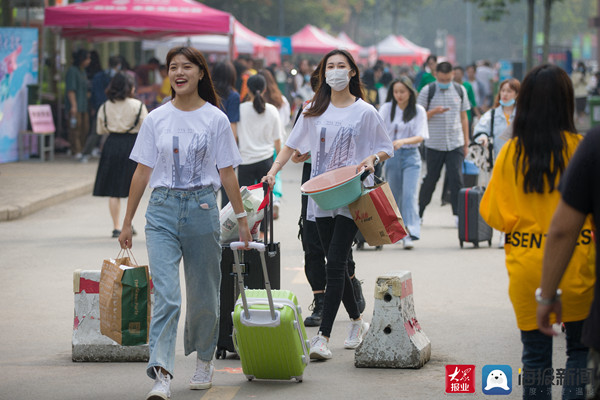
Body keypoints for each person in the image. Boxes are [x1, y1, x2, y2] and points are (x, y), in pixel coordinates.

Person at [117, 46, 252, 400]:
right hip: (161, 210)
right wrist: (127, 221)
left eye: (186, 67)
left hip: (202, 206)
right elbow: (142, 171)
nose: (179, 72)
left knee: (205, 293)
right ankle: (161, 372)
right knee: (167, 296)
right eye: (173, 67)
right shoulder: (156, 118)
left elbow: (227, 172)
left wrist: (241, 218)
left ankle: (204, 359)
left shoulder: (216, 119)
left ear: (200, 73)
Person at [262, 49, 394, 360]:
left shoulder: (365, 112)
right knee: (337, 265)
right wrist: (272, 171)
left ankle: (323, 337)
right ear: (323, 74)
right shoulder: (312, 109)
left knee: (335, 263)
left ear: (352, 73)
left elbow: (385, 147)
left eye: (340, 66)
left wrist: (372, 158)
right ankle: (358, 321)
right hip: (319, 196)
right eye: (329, 66)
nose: (334, 71)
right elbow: (293, 146)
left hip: (351, 196)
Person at [479, 64, 595, 400]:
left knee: (535, 359)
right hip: (579, 266)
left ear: (524, 102)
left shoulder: (511, 154)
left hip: (529, 272)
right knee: (579, 354)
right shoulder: (581, 148)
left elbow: (494, 215)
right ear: (567, 102)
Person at [536, 126, 600, 400]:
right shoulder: (580, 142)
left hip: (539, 269)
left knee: (537, 357)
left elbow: (563, 230)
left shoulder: (594, 144)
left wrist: (547, 295)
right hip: (581, 277)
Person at [93, 73, 148, 238]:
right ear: (129, 87)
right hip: (132, 145)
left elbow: (100, 130)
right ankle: (128, 223)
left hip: (111, 145)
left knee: (113, 189)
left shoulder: (105, 106)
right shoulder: (137, 105)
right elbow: (145, 128)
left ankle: (117, 226)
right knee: (133, 187)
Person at [417, 61, 470, 224]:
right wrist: (433, 112)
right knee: (431, 179)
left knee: (456, 179)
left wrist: (466, 143)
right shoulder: (428, 91)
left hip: (455, 143)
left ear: (453, 75)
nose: (445, 83)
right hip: (434, 144)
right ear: (436, 76)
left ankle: (458, 215)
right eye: (442, 80)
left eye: (447, 79)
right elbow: (418, 117)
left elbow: (463, 117)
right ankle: (419, 213)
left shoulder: (460, 90)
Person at [379, 77, 429, 250]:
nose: (399, 95)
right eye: (396, 92)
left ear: (410, 92)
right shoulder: (386, 109)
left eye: (403, 91)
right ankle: (397, 231)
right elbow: (377, 129)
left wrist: (403, 141)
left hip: (411, 156)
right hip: (391, 156)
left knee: (409, 194)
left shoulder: (418, 110)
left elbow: (421, 136)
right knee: (394, 195)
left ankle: (410, 232)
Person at [237, 74, 283, 188]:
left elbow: (236, 136)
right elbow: (278, 140)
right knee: (265, 200)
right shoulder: (272, 110)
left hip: (245, 161)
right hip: (266, 161)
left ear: (247, 89)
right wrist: (279, 163)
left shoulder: (240, 110)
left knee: (246, 202)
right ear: (265, 89)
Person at [258, 68, 291, 219]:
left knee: (263, 175)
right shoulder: (281, 100)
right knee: (276, 173)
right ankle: (275, 199)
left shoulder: (254, 102)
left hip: (260, 142)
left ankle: (262, 202)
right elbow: (285, 122)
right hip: (278, 141)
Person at [212, 61, 241, 208]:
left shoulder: (208, 93)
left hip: (209, 144)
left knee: (210, 186)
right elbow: (232, 123)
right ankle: (223, 223)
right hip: (224, 145)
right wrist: (233, 147)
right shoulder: (233, 95)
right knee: (227, 187)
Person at [65, 48, 91, 160]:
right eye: (87, 58)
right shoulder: (72, 71)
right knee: (75, 128)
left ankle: (82, 148)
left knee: (84, 128)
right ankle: (75, 150)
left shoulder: (82, 71)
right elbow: (71, 90)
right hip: (76, 106)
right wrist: (73, 106)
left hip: (83, 105)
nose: (89, 61)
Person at [571, 61, 590, 126]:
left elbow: (587, 82)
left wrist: (583, 78)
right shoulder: (575, 73)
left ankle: (581, 118)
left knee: (583, 107)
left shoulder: (585, 73)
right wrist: (579, 78)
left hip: (584, 93)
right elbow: (573, 83)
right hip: (577, 94)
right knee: (578, 107)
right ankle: (579, 118)